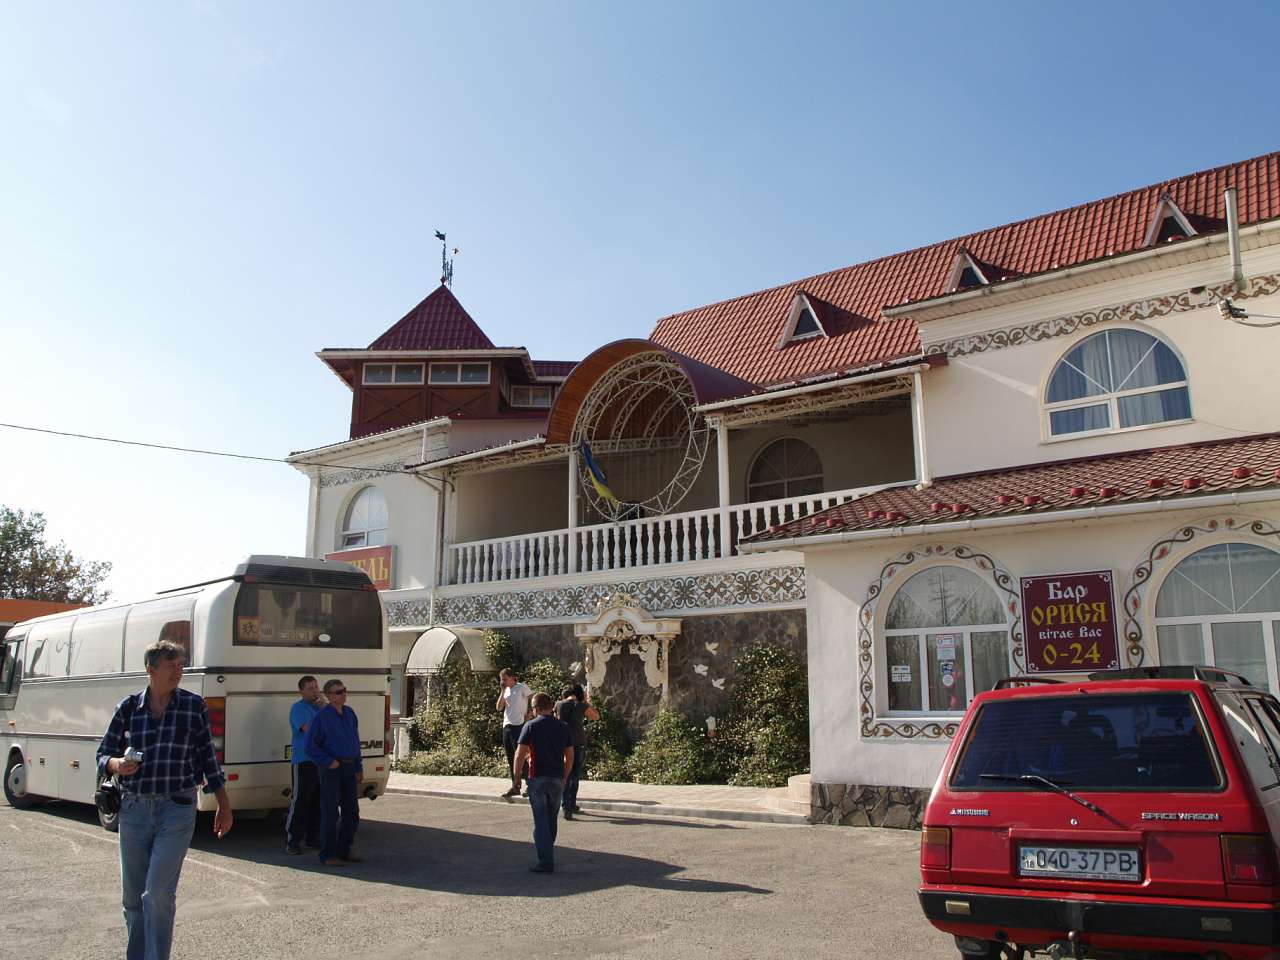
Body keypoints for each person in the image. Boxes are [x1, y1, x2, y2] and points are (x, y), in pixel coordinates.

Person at [96, 639, 233, 960]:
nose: (178, 671)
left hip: (177, 807)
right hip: (134, 808)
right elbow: (103, 754)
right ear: (151, 669)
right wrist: (117, 764)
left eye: (180, 665)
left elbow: (208, 757)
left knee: (157, 893)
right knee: (133, 898)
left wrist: (224, 805)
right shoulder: (128, 708)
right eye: (171, 666)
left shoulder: (193, 706)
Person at [512, 692, 573, 873]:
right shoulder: (563, 727)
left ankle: (546, 861)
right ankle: (547, 851)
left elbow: (519, 754)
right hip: (557, 777)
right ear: (551, 706)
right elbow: (570, 756)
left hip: (537, 777)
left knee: (540, 821)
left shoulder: (530, 726)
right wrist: (565, 777)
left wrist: (516, 778)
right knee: (551, 819)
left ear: (536, 708)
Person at [305, 678, 363, 867]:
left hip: (349, 767)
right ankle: (328, 854)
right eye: (338, 692)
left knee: (352, 812)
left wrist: (358, 767)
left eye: (344, 690)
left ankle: (344, 849)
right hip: (332, 769)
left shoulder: (350, 713)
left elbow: (355, 741)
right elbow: (310, 746)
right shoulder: (322, 717)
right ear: (329, 696)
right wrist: (329, 762)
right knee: (330, 813)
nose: (343, 694)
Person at [284, 674, 323, 854]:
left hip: (321, 761)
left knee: (318, 801)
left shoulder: (322, 708)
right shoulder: (298, 708)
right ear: (302, 691)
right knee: (300, 800)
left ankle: (314, 837)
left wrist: (324, 709)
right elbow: (310, 729)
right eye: (310, 688)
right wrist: (322, 712)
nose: (315, 691)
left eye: (316, 687)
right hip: (304, 760)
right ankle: (292, 840)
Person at [554, 684, 599, 819]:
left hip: (562, 742)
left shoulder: (559, 704)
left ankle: (565, 805)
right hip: (578, 743)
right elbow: (596, 716)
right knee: (575, 775)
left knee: (564, 774)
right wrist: (585, 701)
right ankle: (572, 804)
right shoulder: (581, 705)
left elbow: (555, 721)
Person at [496, 668, 533, 798]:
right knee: (511, 757)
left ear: (512, 678)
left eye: (505, 679)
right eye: (501, 679)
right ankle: (515, 786)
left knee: (522, 756)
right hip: (507, 725)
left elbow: (533, 698)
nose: (502, 681)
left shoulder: (521, 687)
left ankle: (530, 785)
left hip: (519, 725)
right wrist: (502, 691)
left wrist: (530, 713)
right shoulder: (506, 690)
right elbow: (499, 707)